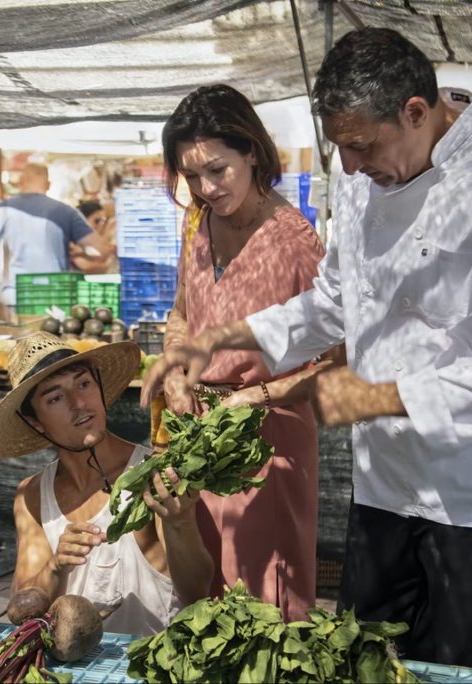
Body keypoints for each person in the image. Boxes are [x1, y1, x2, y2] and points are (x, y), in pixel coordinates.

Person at [142, 28, 472, 683]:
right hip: (385, 486)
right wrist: (229, 338)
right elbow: (334, 298)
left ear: (415, 112)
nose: (349, 168)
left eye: (360, 147)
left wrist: (379, 395)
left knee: (466, 674)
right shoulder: (359, 173)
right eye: (339, 148)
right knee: (361, 666)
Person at [154, 84, 328, 621]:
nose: (205, 188)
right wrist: (180, 367)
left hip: (267, 443)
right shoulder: (199, 225)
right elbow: (181, 311)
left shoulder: (295, 244)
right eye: (191, 176)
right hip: (200, 434)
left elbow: (340, 362)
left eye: (217, 170)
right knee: (202, 585)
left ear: (251, 151)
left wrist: (257, 396)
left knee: (259, 604)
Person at [0, 333, 213, 635]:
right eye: (55, 398)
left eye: (84, 384)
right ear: (36, 422)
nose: (79, 404)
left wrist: (181, 522)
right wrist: (55, 566)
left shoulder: (154, 473)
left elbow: (198, 593)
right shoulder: (33, 495)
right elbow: (20, 607)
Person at [0, 163, 111, 309]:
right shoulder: (65, 212)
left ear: (21, 182)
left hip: (14, 295)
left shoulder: (1, 211)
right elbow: (101, 251)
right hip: (54, 297)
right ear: (48, 184)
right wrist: (79, 253)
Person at [71, 200, 117, 273]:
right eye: (97, 221)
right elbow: (86, 266)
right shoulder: (74, 244)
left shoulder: (111, 243)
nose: (102, 225)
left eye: (104, 221)